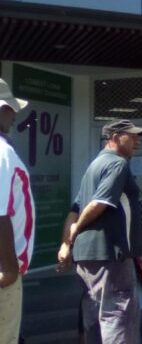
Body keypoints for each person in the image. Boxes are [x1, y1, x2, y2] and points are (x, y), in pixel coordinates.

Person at [69, 119, 142, 344]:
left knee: (93, 319)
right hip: (111, 255)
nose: (137, 142)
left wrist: (68, 242)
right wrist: (75, 232)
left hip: (87, 257)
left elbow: (74, 210)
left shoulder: (93, 166)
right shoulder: (117, 164)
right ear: (113, 138)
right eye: (131, 137)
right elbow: (97, 204)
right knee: (118, 318)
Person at [0, 80, 35, 344]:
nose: (14, 115)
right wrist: (10, 269)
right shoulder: (3, 153)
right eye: (11, 109)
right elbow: (1, 212)